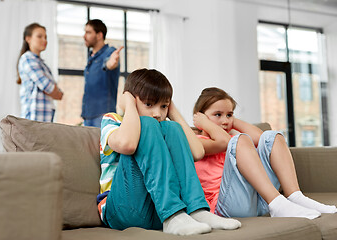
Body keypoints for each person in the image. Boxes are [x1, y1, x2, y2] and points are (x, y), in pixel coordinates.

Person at [97, 69, 241, 235]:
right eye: (149, 104)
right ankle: (172, 215)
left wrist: (173, 113)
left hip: (156, 212)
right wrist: (129, 105)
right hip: (122, 211)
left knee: (171, 127)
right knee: (147, 124)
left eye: (163, 106)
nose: (157, 113)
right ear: (129, 98)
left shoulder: (163, 127)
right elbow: (127, 145)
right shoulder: (113, 120)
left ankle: (197, 211)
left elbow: (197, 152)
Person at [192, 87, 337, 219]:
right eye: (218, 114)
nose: (225, 120)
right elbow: (223, 141)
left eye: (229, 115)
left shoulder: (232, 138)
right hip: (227, 207)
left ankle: (294, 196)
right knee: (239, 140)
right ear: (200, 117)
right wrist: (204, 123)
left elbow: (261, 138)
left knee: (272, 137)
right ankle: (277, 203)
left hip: (258, 202)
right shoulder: (196, 142)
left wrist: (231, 121)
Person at [17, 22, 63, 122]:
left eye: (45, 37)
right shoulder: (27, 59)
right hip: (33, 118)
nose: (44, 40)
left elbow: (57, 92)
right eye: (39, 36)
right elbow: (48, 86)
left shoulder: (41, 64)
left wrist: (56, 91)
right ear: (28, 39)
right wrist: (55, 91)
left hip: (44, 118)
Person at [82, 19, 123, 128]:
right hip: (88, 115)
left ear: (99, 35)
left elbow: (108, 63)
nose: (84, 36)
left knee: (101, 145)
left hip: (102, 114)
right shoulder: (91, 57)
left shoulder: (110, 52)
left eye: (88, 32)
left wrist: (111, 63)